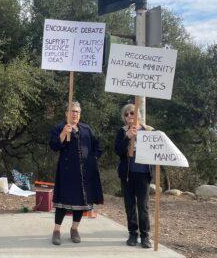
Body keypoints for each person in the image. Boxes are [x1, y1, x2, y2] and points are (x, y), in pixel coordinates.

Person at [49, 102, 103, 245]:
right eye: (72, 111)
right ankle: (56, 231)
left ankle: (74, 229)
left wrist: (93, 159)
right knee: (62, 203)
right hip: (66, 171)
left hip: (84, 172)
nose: (75, 114)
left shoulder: (86, 129)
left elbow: (98, 147)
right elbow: (54, 146)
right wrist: (63, 134)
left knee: (80, 202)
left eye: (77, 112)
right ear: (66, 113)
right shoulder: (60, 127)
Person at [114, 103, 153, 248]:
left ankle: (145, 236)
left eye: (132, 113)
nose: (130, 116)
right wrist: (127, 137)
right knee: (129, 205)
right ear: (124, 118)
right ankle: (132, 234)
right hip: (127, 174)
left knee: (143, 206)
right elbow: (117, 151)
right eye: (127, 114)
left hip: (143, 173)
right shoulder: (122, 131)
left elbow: (156, 151)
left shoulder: (149, 131)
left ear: (139, 115)